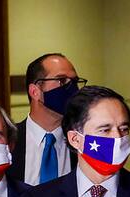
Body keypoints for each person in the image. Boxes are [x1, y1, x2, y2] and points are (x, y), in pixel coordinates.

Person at [7, 53, 82, 185]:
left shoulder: (83, 142)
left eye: (74, 81)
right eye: (62, 80)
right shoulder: (7, 141)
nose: (72, 88)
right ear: (35, 92)